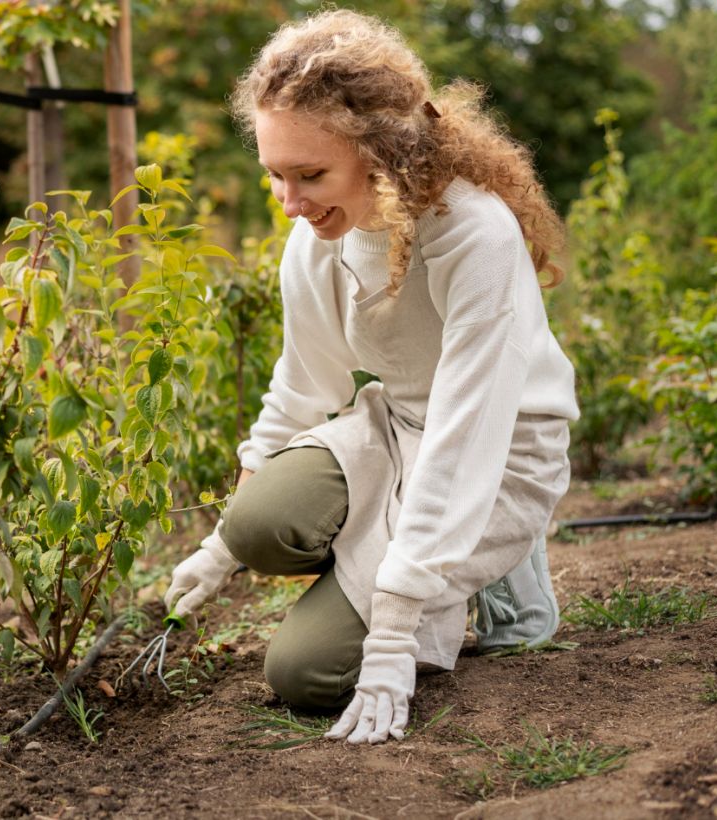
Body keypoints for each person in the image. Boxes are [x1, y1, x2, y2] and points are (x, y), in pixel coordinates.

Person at [163, 9, 579, 745]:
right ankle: (411, 565)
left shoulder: (474, 235)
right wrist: (221, 547)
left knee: (305, 675)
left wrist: (395, 628)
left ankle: (499, 564)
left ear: (382, 150)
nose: (290, 203)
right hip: (397, 425)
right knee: (259, 525)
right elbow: (303, 385)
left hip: (496, 450)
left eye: (310, 174)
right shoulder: (318, 235)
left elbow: (465, 429)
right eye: (276, 176)